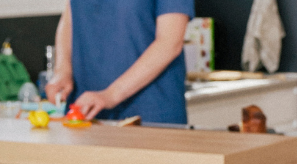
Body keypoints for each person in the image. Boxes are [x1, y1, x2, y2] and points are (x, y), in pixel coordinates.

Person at [45, 0, 194, 124]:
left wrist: (110, 95)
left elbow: (170, 43)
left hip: (149, 114)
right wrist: (63, 70)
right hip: (85, 113)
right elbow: (69, 17)